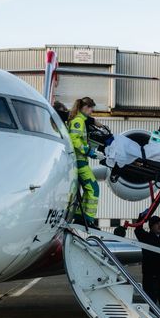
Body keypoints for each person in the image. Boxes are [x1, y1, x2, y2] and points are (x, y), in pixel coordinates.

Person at [68, 97, 100, 228]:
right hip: (80, 161)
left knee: (88, 190)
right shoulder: (78, 121)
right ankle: (87, 218)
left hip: (80, 160)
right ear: (86, 108)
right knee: (93, 189)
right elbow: (74, 139)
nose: (92, 112)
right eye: (91, 108)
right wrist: (86, 150)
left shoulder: (79, 120)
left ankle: (81, 216)